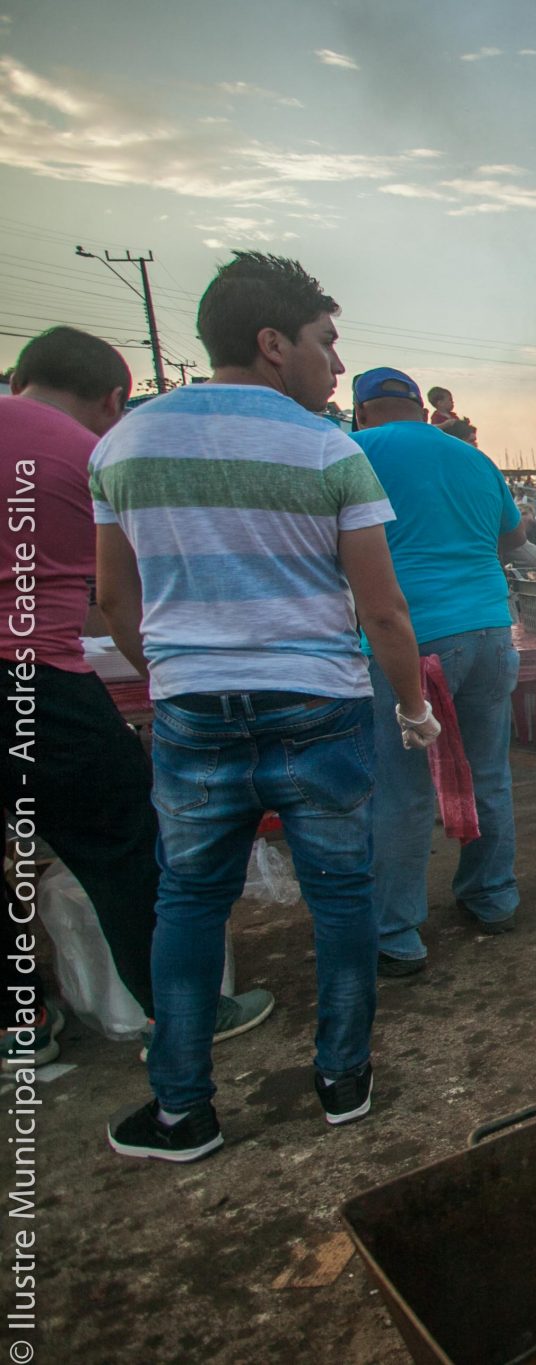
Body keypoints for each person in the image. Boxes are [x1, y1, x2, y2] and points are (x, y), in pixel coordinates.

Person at [93, 252, 439, 1161]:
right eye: (326, 342)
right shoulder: (330, 448)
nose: (335, 362)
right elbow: (381, 608)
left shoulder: (123, 442)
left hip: (190, 709)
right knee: (341, 893)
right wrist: (412, 710)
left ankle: (180, 1109)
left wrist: (169, 670)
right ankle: (343, 1078)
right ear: (273, 342)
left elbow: (113, 597)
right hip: (316, 705)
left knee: (192, 901)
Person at [0, 329, 274, 1067]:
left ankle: (17, 1022)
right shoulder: (91, 454)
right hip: (33, 682)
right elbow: (131, 596)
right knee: (124, 838)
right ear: (114, 400)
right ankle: (181, 1012)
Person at [351, 366, 527, 976]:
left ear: (363, 410)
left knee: (403, 790)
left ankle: (395, 935)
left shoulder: (354, 450)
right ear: (422, 410)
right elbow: (513, 537)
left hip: (412, 641)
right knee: (488, 772)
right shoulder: (473, 458)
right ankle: (493, 896)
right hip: (491, 632)